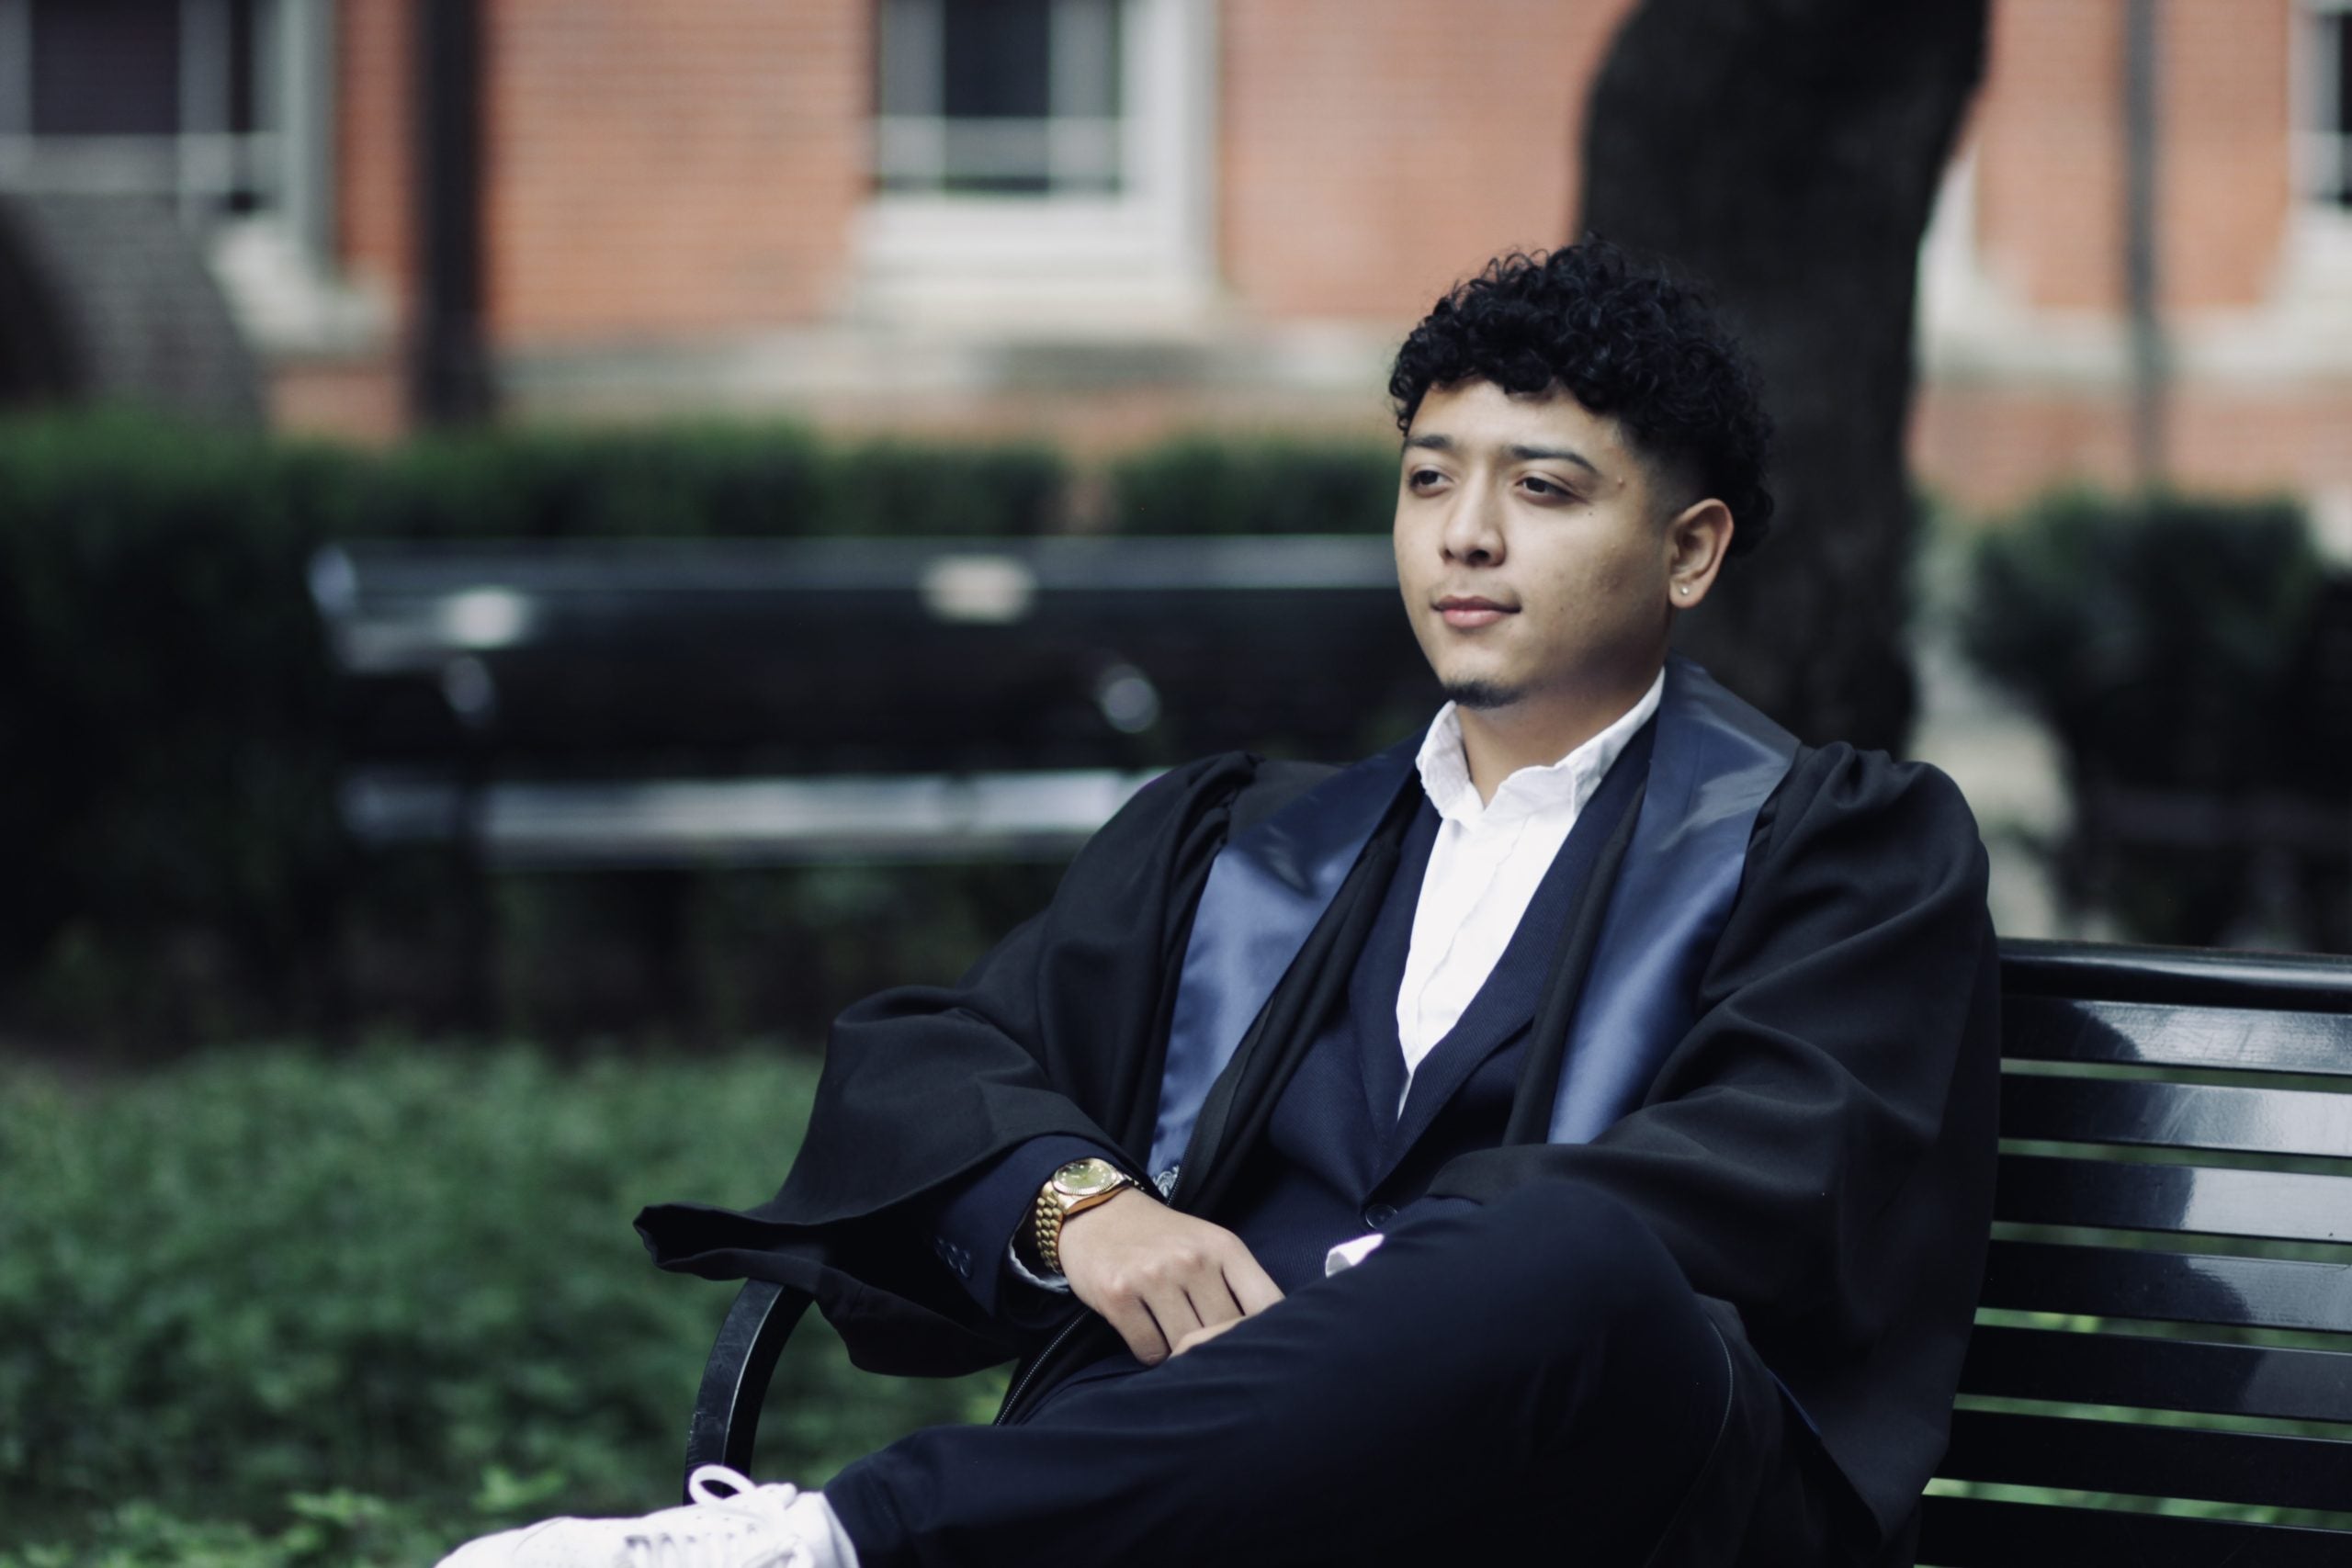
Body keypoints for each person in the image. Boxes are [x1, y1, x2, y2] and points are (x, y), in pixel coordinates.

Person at [438, 242, 1999, 1568]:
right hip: (1249, 1502)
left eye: (1542, 488)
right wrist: (1081, 1206)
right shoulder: (1243, 847)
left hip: (1623, 1501)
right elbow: (929, 1052)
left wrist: (1401, 1289)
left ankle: (842, 1545)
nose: (1466, 533)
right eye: (1428, 479)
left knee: (1566, 1259)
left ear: (1690, 549)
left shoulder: (1841, 847)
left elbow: (1787, 1167)